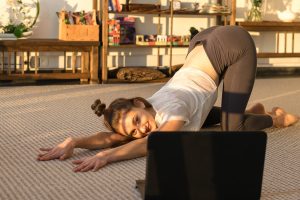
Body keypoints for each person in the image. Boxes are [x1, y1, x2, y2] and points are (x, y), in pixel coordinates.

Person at [37, 26, 299, 172]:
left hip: (231, 45)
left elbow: (155, 142)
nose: (142, 129)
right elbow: (115, 136)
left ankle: (277, 118)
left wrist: (107, 156)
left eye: (137, 120)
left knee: (232, 133)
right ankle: (250, 110)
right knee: (194, 122)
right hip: (202, 40)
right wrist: (75, 141)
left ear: (140, 103)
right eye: (135, 129)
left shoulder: (173, 106)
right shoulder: (149, 108)